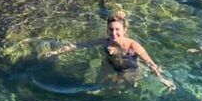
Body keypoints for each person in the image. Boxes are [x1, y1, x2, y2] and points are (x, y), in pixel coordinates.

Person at [48, 11, 176, 91]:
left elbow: (151, 64)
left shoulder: (134, 46)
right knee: (100, 85)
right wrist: (57, 52)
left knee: (128, 89)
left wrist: (163, 80)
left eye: (117, 29)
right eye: (111, 29)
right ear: (107, 30)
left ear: (125, 29)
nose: (114, 33)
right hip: (109, 65)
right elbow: (81, 45)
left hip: (129, 69)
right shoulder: (106, 41)